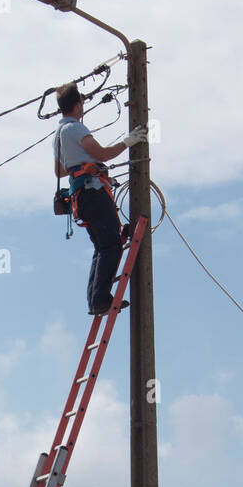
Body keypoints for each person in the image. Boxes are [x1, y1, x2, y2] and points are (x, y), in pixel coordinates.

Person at [53, 82, 147, 315]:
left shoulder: (58, 136)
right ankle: (100, 299)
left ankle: (96, 300)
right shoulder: (75, 129)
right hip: (93, 193)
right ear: (77, 105)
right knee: (111, 245)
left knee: (102, 247)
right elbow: (103, 153)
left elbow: (60, 171)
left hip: (80, 197)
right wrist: (129, 141)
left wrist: (82, 163)